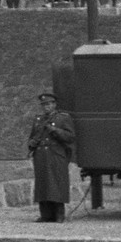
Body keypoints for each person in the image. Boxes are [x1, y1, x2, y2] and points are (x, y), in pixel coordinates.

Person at [28, 90, 73, 223]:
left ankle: (59, 214)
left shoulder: (63, 118)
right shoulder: (38, 120)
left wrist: (55, 130)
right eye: (43, 105)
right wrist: (31, 143)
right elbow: (32, 136)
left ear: (54, 104)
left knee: (57, 183)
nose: (46, 107)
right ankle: (45, 214)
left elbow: (70, 137)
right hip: (41, 155)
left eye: (48, 104)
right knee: (43, 184)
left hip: (56, 154)